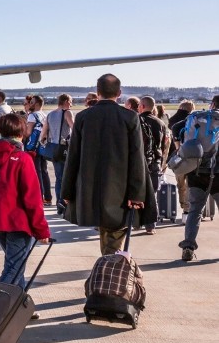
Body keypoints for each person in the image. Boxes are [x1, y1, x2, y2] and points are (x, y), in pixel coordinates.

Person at [61, 74, 146, 255]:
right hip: (120, 191)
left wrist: (67, 191)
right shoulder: (130, 117)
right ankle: (110, 275)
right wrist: (137, 193)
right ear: (119, 93)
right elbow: (137, 157)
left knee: (107, 238)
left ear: (97, 92)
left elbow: (73, 155)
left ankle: (107, 272)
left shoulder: (83, 117)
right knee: (114, 237)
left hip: (90, 189)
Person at [0, 113, 51, 292]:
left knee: (15, 264)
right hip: (18, 222)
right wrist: (41, 230)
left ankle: (20, 305)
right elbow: (32, 199)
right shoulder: (23, 159)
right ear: (21, 133)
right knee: (13, 268)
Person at [178, 95, 219, 262]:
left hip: (196, 171)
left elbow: (175, 129)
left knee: (195, 210)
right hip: (217, 174)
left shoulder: (196, 118)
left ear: (212, 104)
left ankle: (188, 246)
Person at [40, 94, 74, 215]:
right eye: (70, 101)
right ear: (65, 101)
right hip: (64, 148)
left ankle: (59, 203)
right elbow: (73, 128)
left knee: (59, 177)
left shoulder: (50, 114)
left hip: (53, 149)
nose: (71, 104)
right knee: (67, 176)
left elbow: (43, 133)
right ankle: (65, 201)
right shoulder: (67, 113)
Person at [138, 96, 167, 235]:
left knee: (136, 193)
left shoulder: (137, 120)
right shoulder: (160, 122)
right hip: (155, 162)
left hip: (139, 162)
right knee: (152, 195)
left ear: (142, 106)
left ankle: (136, 223)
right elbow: (164, 144)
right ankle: (150, 226)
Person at [169, 100, 196, 214]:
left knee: (181, 184)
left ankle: (184, 207)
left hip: (179, 157)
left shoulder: (174, 121)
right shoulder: (194, 121)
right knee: (192, 184)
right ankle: (190, 208)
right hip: (193, 156)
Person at [25, 95, 52, 206]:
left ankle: (39, 197)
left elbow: (28, 133)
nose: (29, 104)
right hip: (42, 147)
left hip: (32, 148)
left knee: (37, 173)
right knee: (44, 171)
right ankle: (48, 197)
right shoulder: (44, 115)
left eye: (31, 102)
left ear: (36, 104)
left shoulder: (32, 116)